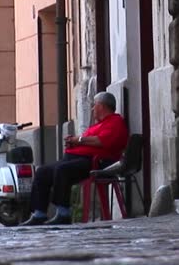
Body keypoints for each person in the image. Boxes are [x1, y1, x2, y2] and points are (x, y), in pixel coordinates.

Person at [20, 92, 128, 226]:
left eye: (94, 106)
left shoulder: (115, 121)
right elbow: (88, 141)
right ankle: (39, 213)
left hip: (96, 162)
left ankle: (63, 213)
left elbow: (102, 141)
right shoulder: (98, 125)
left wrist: (79, 140)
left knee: (62, 170)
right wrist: (74, 143)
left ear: (101, 106)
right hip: (78, 158)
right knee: (42, 171)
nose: (93, 109)